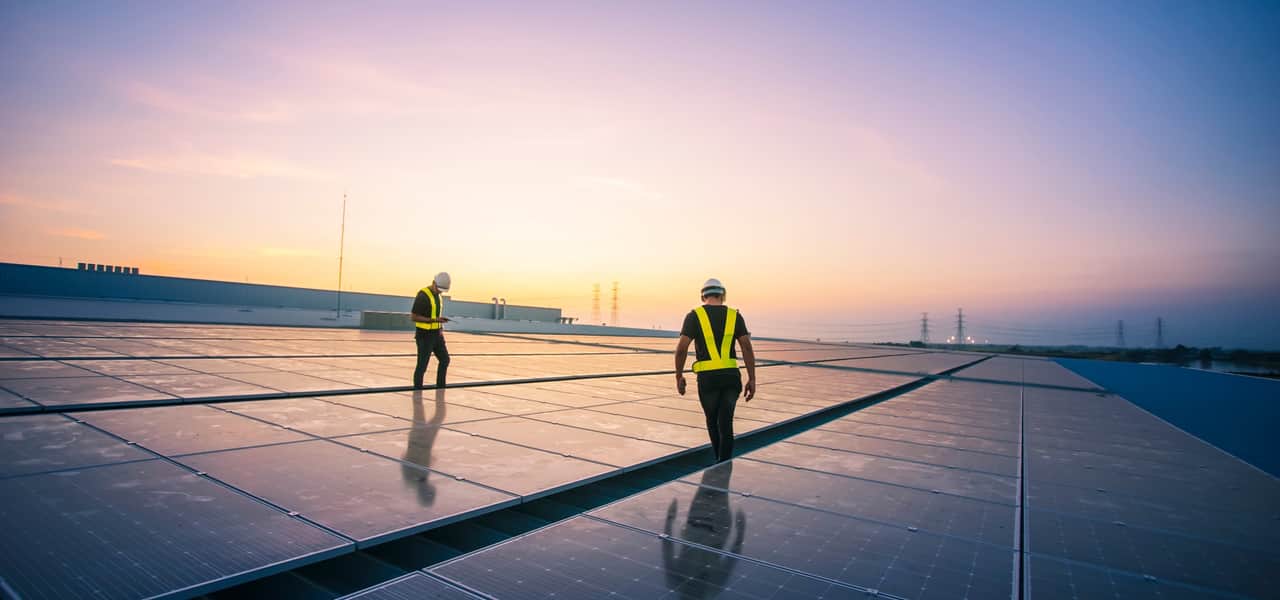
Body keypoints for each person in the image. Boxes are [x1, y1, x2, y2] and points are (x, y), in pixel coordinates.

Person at [674, 278, 756, 463]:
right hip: (730, 378)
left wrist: (679, 375)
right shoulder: (735, 316)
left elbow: (681, 348)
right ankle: (724, 463)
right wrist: (752, 379)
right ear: (723, 295)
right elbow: (747, 347)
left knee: (712, 421)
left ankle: (719, 461)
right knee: (726, 423)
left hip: (708, 380)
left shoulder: (694, 316)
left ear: (703, 295)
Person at [411, 272, 451, 389]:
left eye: (442, 290)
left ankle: (441, 387)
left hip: (436, 335)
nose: (440, 291)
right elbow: (414, 317)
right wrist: (433, 320)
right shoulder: (423, 295)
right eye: (438, 289)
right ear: (433, 283)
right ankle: (417, 390)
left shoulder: (438, 296)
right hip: (424, 336)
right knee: (422, 365)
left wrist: (440, 326)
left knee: (445, 360)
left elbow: (435, 314)